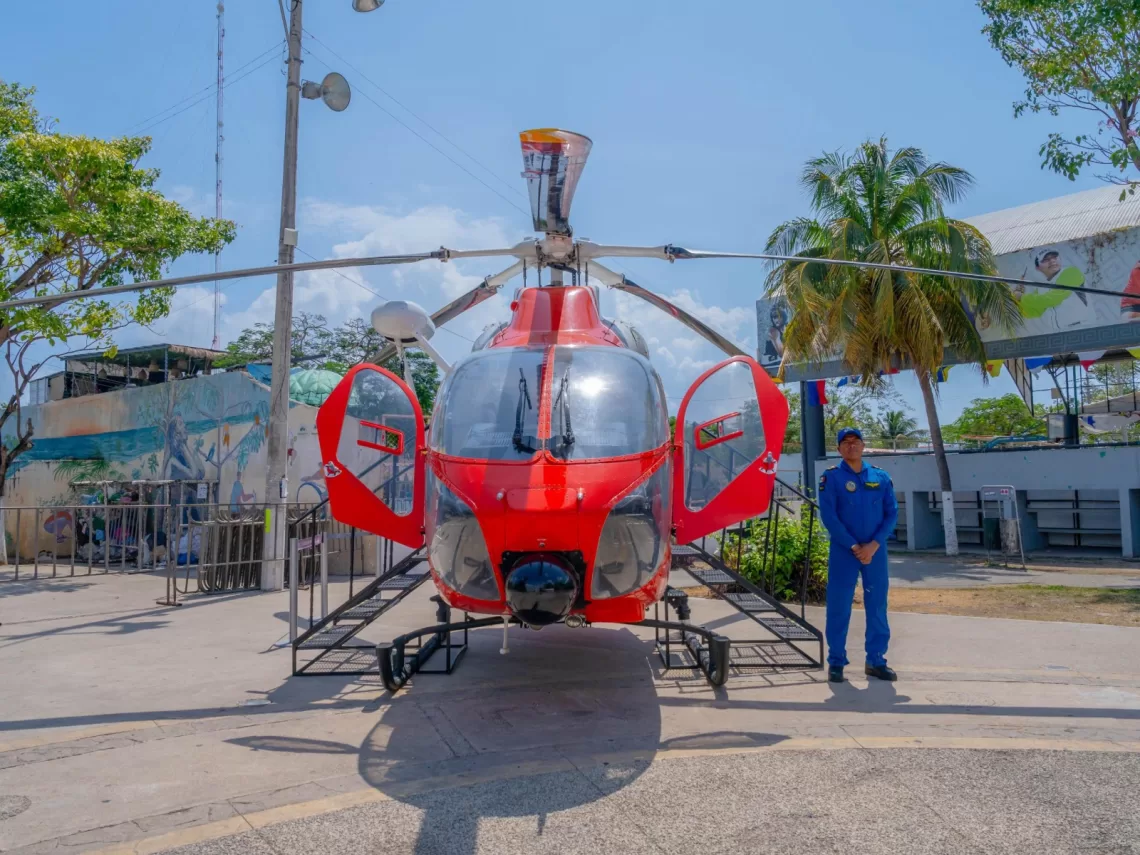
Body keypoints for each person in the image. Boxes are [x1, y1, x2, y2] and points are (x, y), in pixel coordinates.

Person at [817, 427, 899, 683]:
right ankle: (836, 661)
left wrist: (873, 545)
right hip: (844, 551)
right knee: (839, 606)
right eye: (845, 442)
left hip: (875, 551)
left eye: (855, 441)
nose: (851, 445)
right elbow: (829, 517)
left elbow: (892, 513)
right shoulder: (831, 478)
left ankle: (876, 661)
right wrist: (854, 546)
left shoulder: (881, 476)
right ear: (839, 448)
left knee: (877, 605)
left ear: (863, 446)